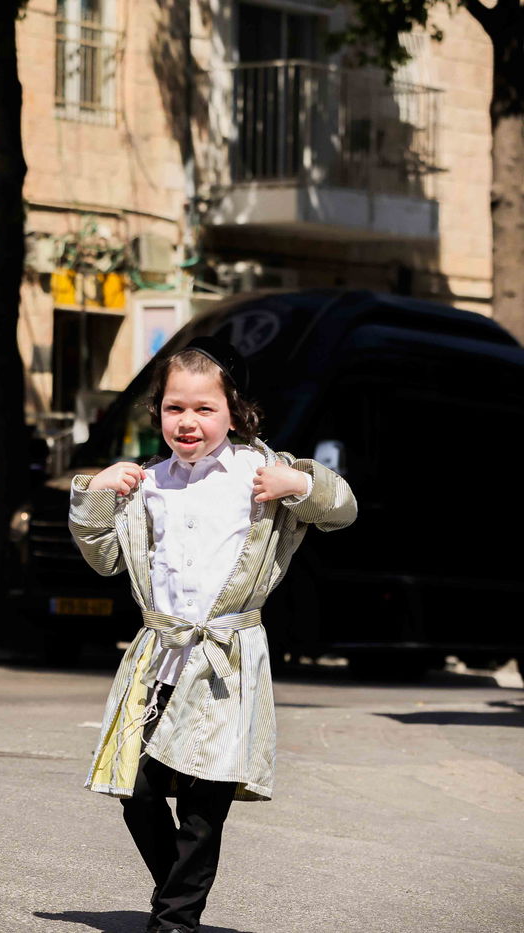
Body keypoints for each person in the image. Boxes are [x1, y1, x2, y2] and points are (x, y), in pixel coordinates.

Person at [68, 336, 358, 933]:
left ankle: (175, 918)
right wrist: (94, 493)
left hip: (229, 658)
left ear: (235, 411)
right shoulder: (146, 482)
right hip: (160, 658)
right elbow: (102, 561)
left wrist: (297, 486)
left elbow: (342, 508)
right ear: (159, 412)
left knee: (205, 801)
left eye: (205, 408)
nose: (188, 422)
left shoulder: (264, 471)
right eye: (175, 408)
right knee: (139, 788)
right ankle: (175, 894)